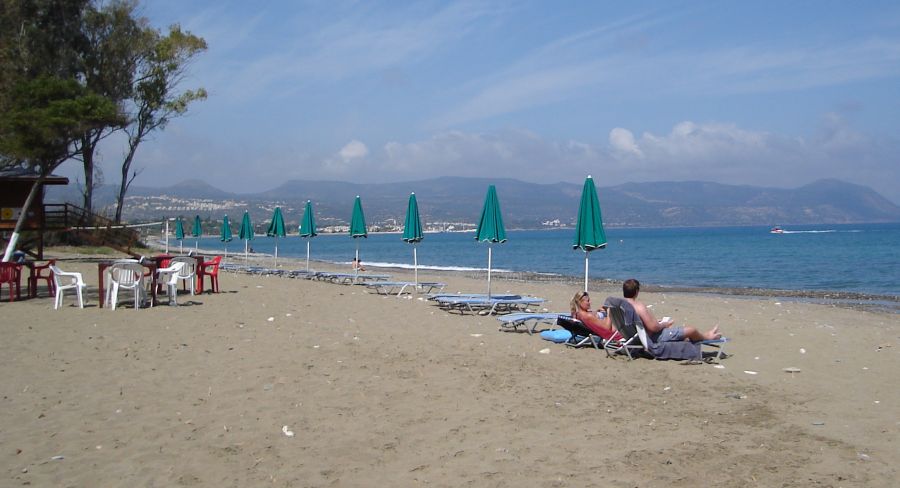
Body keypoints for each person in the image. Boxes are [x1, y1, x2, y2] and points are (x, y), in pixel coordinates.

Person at [622, 278, 721, 342]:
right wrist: (664, 324)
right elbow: (654, 328)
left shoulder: (621, 305)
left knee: (684, 335)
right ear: (636, 291)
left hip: (633, 336)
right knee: (692, 330)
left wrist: (657, 323)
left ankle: (706, 334)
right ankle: (708, 337)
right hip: (650, 338)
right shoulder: (638, 306)